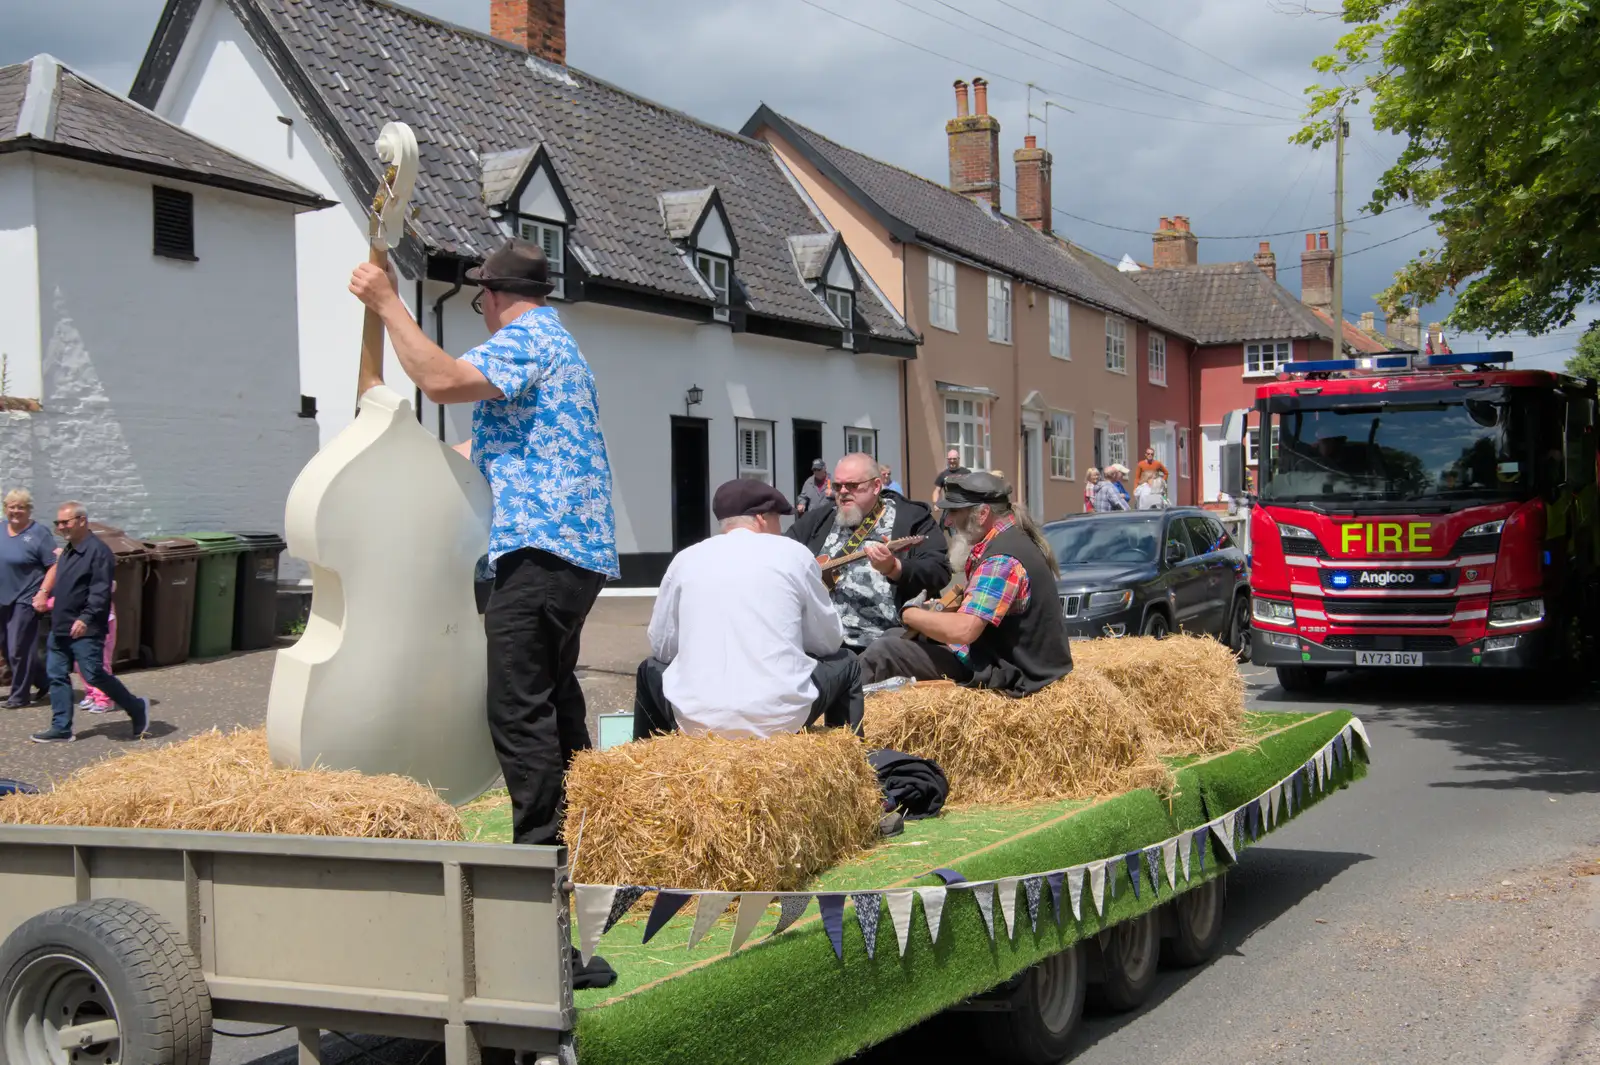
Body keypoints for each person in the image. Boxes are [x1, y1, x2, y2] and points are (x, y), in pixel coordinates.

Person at [349, 237, 618, 849]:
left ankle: (542, 853)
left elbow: (441, 381)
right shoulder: (561, 347)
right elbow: (487, 454)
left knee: (517, 706)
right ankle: (588, 833)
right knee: (552, 697)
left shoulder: (528, 339)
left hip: (540, 547)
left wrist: (389, 303)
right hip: (569, 550)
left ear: (491, 297)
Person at [634, 479, 862, 738]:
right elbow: (828, 642)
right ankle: (853, 763)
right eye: (779, 519)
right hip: (782, 719)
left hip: (695, 720)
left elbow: (662, 647)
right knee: (849, 662)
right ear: (762, 518)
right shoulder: (794, 554)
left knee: (647, 669)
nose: (781, 527)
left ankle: (644, 769)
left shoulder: (685, 559)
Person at [858, 473, 1072, 695]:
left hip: (1017, 673)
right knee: (892, 635)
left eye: (954, 512)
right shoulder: (1011, 539)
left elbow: (965, 630)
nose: (948, 521)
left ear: (982, 514)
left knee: (886, 651)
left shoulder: (1001, 560)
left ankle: (838, 716)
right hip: (1000, 658)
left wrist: (909, 614)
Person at [787, 452, 949, 652]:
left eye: (852, 486)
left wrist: (896, 568)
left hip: (882, 646)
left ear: (876, 486)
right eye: (838, 486)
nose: (843, 492)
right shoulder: (819, 519)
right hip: (821, 645)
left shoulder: (911, 519)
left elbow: (939, 569)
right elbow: (783, 553)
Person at [29, 503, 148, 743]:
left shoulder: (98, 552)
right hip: (61, 625)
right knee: (57, 675)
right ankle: (61, 727)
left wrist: (85, 618)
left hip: (86, 627)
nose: (61, 527)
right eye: (58, 523)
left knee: (94, 674)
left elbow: (100, 591)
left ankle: (136, 707)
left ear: (82, 520)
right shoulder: (69, 550)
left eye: (66, 522)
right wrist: (43, 594)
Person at [1, 489, 54, 708]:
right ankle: (44, 679)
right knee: (6, 646)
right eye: (11, 506)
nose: (15, 511)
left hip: (25, 598)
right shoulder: (1, 529)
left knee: (17, 649)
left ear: (29, 510)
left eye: (20, 507)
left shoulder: (39, 533)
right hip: (2, 597)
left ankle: (19, 696)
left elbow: (54, 565)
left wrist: (42, 593)